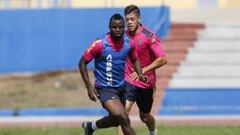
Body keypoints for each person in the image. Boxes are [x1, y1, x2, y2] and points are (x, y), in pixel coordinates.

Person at [79, 13, 148, 135]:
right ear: (109, 27)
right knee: (124, 118)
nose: (117, 30)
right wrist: (89, 86)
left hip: (121, 88)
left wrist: (140, 73)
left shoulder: (128, 43)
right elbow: (82, 63)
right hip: (105, 88)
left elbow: (135, 59)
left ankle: (91, 127)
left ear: (124, 27)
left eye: (120, 27)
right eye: (114, 27)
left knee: (116, 120)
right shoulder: (100, 44)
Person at [117, 5, 167, 135]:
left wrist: (142, 71)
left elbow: (163, 59)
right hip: (128, 80)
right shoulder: (122, 35)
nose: (129, 22)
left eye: (132, 19)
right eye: (127, 19)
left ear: (139, 19)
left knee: (144, 117)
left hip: (146, 82)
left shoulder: (149, 36)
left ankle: (152, 131)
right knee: (123, 113)